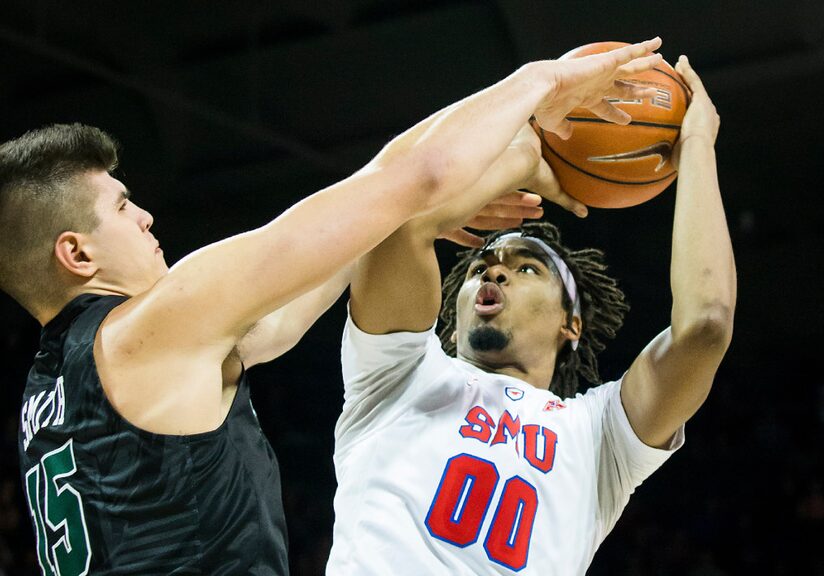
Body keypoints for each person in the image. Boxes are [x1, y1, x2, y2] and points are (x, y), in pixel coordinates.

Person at [2, 39, 664, 575]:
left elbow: (349, 239)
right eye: (121, 206)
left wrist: (425, 217)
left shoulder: (58, 385)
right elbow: (412, 177)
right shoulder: (151, 327)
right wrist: (539, 90)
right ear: (76, 254)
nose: (145, 216)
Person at [327, 55, 735, 575]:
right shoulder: (397, 373)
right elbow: (401, 221)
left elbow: (706, 327)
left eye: (526, 269)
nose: (494, 274)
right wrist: (519, 159)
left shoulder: (598, 436)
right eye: (481, 266)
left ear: (572, 324)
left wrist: (696, 145)